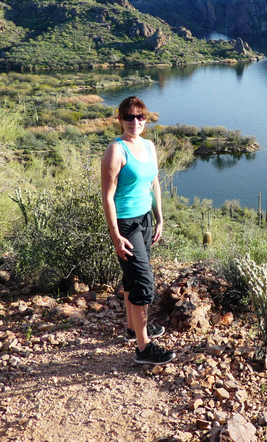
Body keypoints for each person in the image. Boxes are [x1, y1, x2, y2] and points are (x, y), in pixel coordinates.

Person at [101, 96, 176, 365]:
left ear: (146, 119)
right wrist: (115, 235)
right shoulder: (116, 150)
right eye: (129, 117)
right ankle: (144, 349)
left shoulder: (149, 146)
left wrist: (159, 218)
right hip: (125, 224)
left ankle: (133, 329)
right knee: (144, 282)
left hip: (144, 219)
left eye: (140, 117)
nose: (135, 122)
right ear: (120, 119)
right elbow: (107, 196)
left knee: (133, 278)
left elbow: (155, 183)